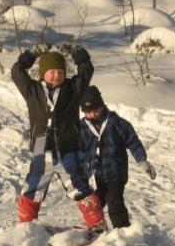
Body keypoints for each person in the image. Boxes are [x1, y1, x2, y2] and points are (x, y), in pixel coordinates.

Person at [11, 47, 106, 231]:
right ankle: (26, 226)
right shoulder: (33, 90)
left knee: (78, 184)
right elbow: (17, 73)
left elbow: (86, 73)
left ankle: (96, 223)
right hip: (40, 146)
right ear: (42, 74)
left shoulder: (72, 89)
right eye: (52, 71)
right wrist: (30, 56)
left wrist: (81, 57)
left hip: (68, 146)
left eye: (60, 72)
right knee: (33, 185)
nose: (56, 75)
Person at [79, 85, 156, 228]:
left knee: (115, 204)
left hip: (115, 174)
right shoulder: (81, 127)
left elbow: (133, 141)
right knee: (94, 206)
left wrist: (142, 160)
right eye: (88, 112)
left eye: (95, 110)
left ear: (102, 106)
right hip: (94, 177)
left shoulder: (117, 123)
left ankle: (123, 231)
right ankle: (95, 229)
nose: (93, 115)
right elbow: (78, 150)